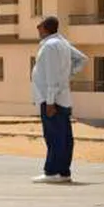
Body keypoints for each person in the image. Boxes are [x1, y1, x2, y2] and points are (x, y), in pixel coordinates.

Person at [31, 16, 88, 184]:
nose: (37, 28)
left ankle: (52, 172)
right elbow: (82, 59)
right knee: (64, 136)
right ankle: (63, 172)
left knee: (54, 136)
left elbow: (51, 75)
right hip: (62, 97)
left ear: (45, 28)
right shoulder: (62, 43)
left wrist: (50, 101)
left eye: (39, 25)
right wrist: (67, 74)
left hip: (52, 100)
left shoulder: (50, 46)